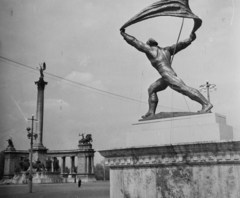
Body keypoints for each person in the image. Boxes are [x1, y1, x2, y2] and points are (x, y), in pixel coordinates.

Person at [120, 29, 213, 118]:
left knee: (184, 89)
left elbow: (135, 42)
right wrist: (190, 39)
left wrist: (124, 34)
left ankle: (206, 104)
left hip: (168, 75)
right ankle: (151, 112)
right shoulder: (167, 50)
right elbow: (180, 44)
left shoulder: (149, 50)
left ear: (149, 44)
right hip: (166, 76)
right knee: (152, 89)